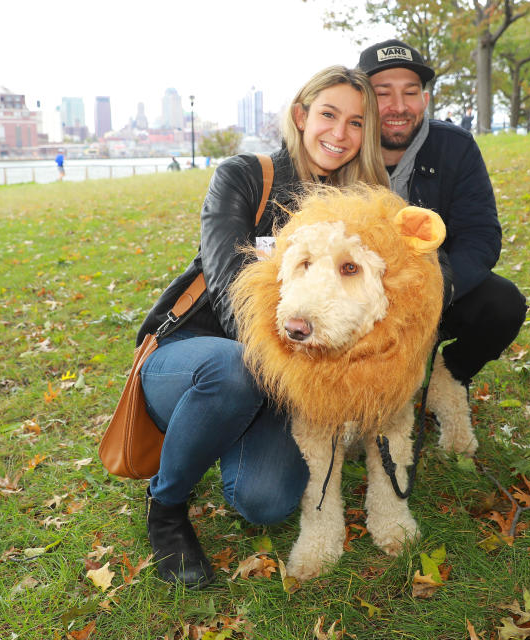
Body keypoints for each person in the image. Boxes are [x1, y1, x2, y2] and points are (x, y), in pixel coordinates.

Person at [133, 65, 389, 589]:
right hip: (195, 354)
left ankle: (217, 435)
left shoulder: (362, 210)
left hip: (282, 379)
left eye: (356, 123)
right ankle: (167, 506)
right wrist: (284, 363)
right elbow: (230, 289)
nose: (339, 134)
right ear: (301, 116)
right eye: (328, 115)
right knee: (236, 367)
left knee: (265, 502)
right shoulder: (244, 176)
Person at [357, 39, 527, 442]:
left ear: (426, 98)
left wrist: (432, 290)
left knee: (503, 304)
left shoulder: (456, 146)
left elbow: (481, 237)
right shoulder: (340, 149)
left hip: (435, 292)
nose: (398, 105)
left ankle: (448, 374)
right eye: (383, 93)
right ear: (362, 100)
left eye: (410, 92)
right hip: (356, 296)